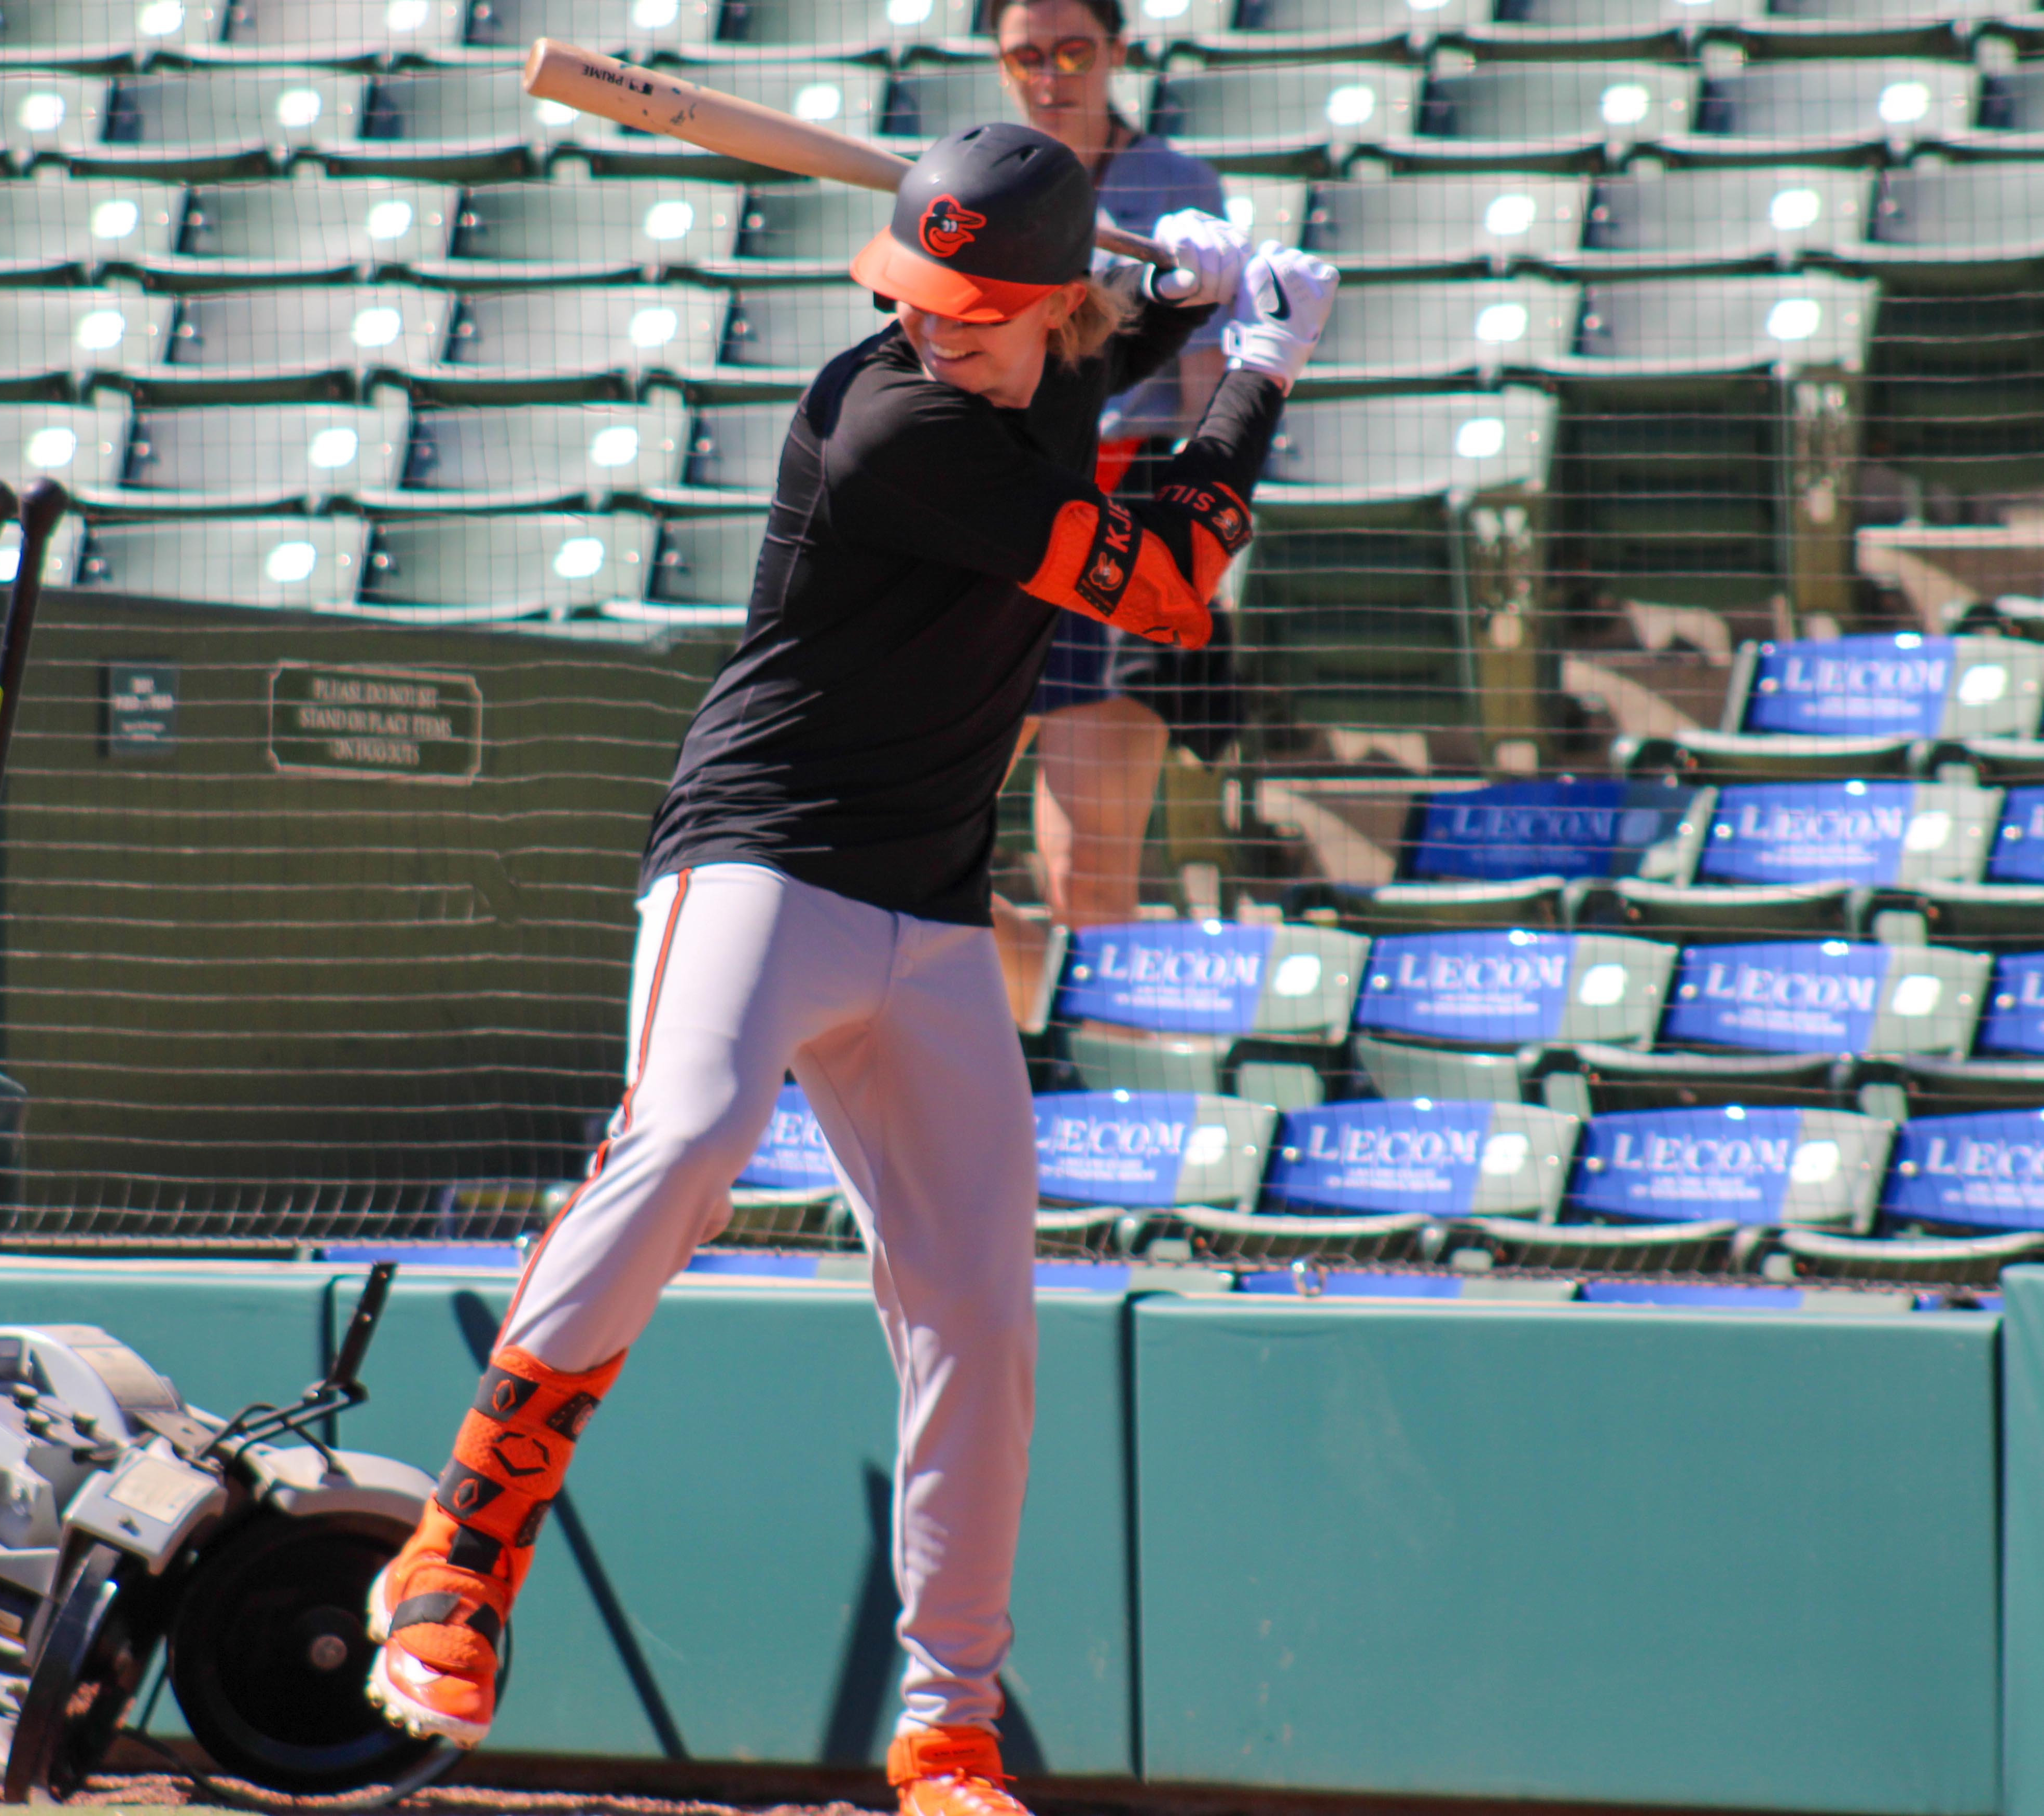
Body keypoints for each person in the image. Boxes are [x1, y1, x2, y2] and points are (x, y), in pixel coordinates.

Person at [365, 122, 1338, 1816]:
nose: (939, 322)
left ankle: (947, 1726)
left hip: (930, 910)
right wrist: (1254, 367)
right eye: (922, 293)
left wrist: (1174, 304)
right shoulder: (889, 417)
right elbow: (1171, 581)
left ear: (1047, 302)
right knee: (680, 1141)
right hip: (757, 857)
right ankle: (459, 1552)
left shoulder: (1037, 343)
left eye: (978, 301)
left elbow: (1081, 353)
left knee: (975, 1309)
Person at [990, 0, 1243, 1016]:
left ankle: (1105, 1107)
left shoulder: (1177, 187)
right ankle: (1028, 1037)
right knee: (897, 850)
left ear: (1116, 54)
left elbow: (1207, 379)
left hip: (1120, 512)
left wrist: (1196, 539)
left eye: (1074, 51)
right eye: (1026, 55)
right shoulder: (977, 177)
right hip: (998, 517)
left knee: (1086, 876)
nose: (1051, 74)